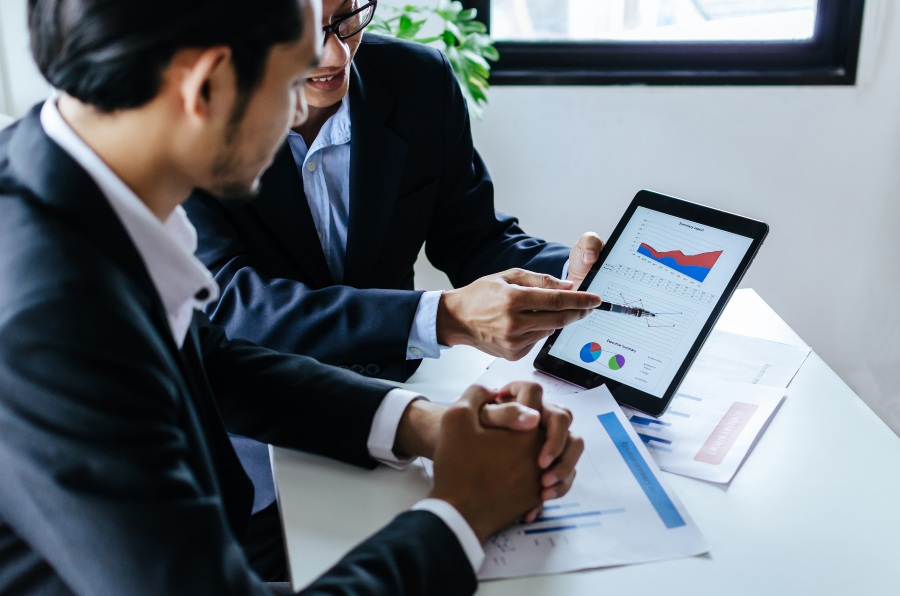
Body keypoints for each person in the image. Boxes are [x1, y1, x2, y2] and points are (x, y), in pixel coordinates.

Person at [0, 1, 583, 594]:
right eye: (289, 81)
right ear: (206, 89)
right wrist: (463, 511)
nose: (304, 111)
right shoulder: (49, 321)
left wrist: (427, 426)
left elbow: (213, 359)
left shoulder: (62, 186)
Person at [184, 0, 606, 384]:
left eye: (348, 17)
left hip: (397, 386)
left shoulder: (420, 81)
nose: (337, 55)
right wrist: (442, 318)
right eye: (306, 29)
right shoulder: (193, 117)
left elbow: (472, 236)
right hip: (253, 403)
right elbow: (226, 305)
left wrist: (569, 274)